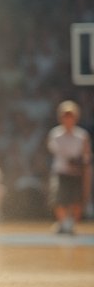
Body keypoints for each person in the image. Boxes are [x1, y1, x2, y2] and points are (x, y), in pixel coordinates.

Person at [47, 100, 91, 235]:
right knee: (59, 200)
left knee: (77, 201)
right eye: (65, 115)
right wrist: (73, 160)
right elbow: (58, 151)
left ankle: (70, 225)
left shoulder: (82, 135)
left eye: (70, 115)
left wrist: (83, 164)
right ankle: (63, 223)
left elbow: (86, 154)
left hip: (77, 173)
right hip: (61, 172)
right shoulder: (55, 134)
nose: (68, 119)